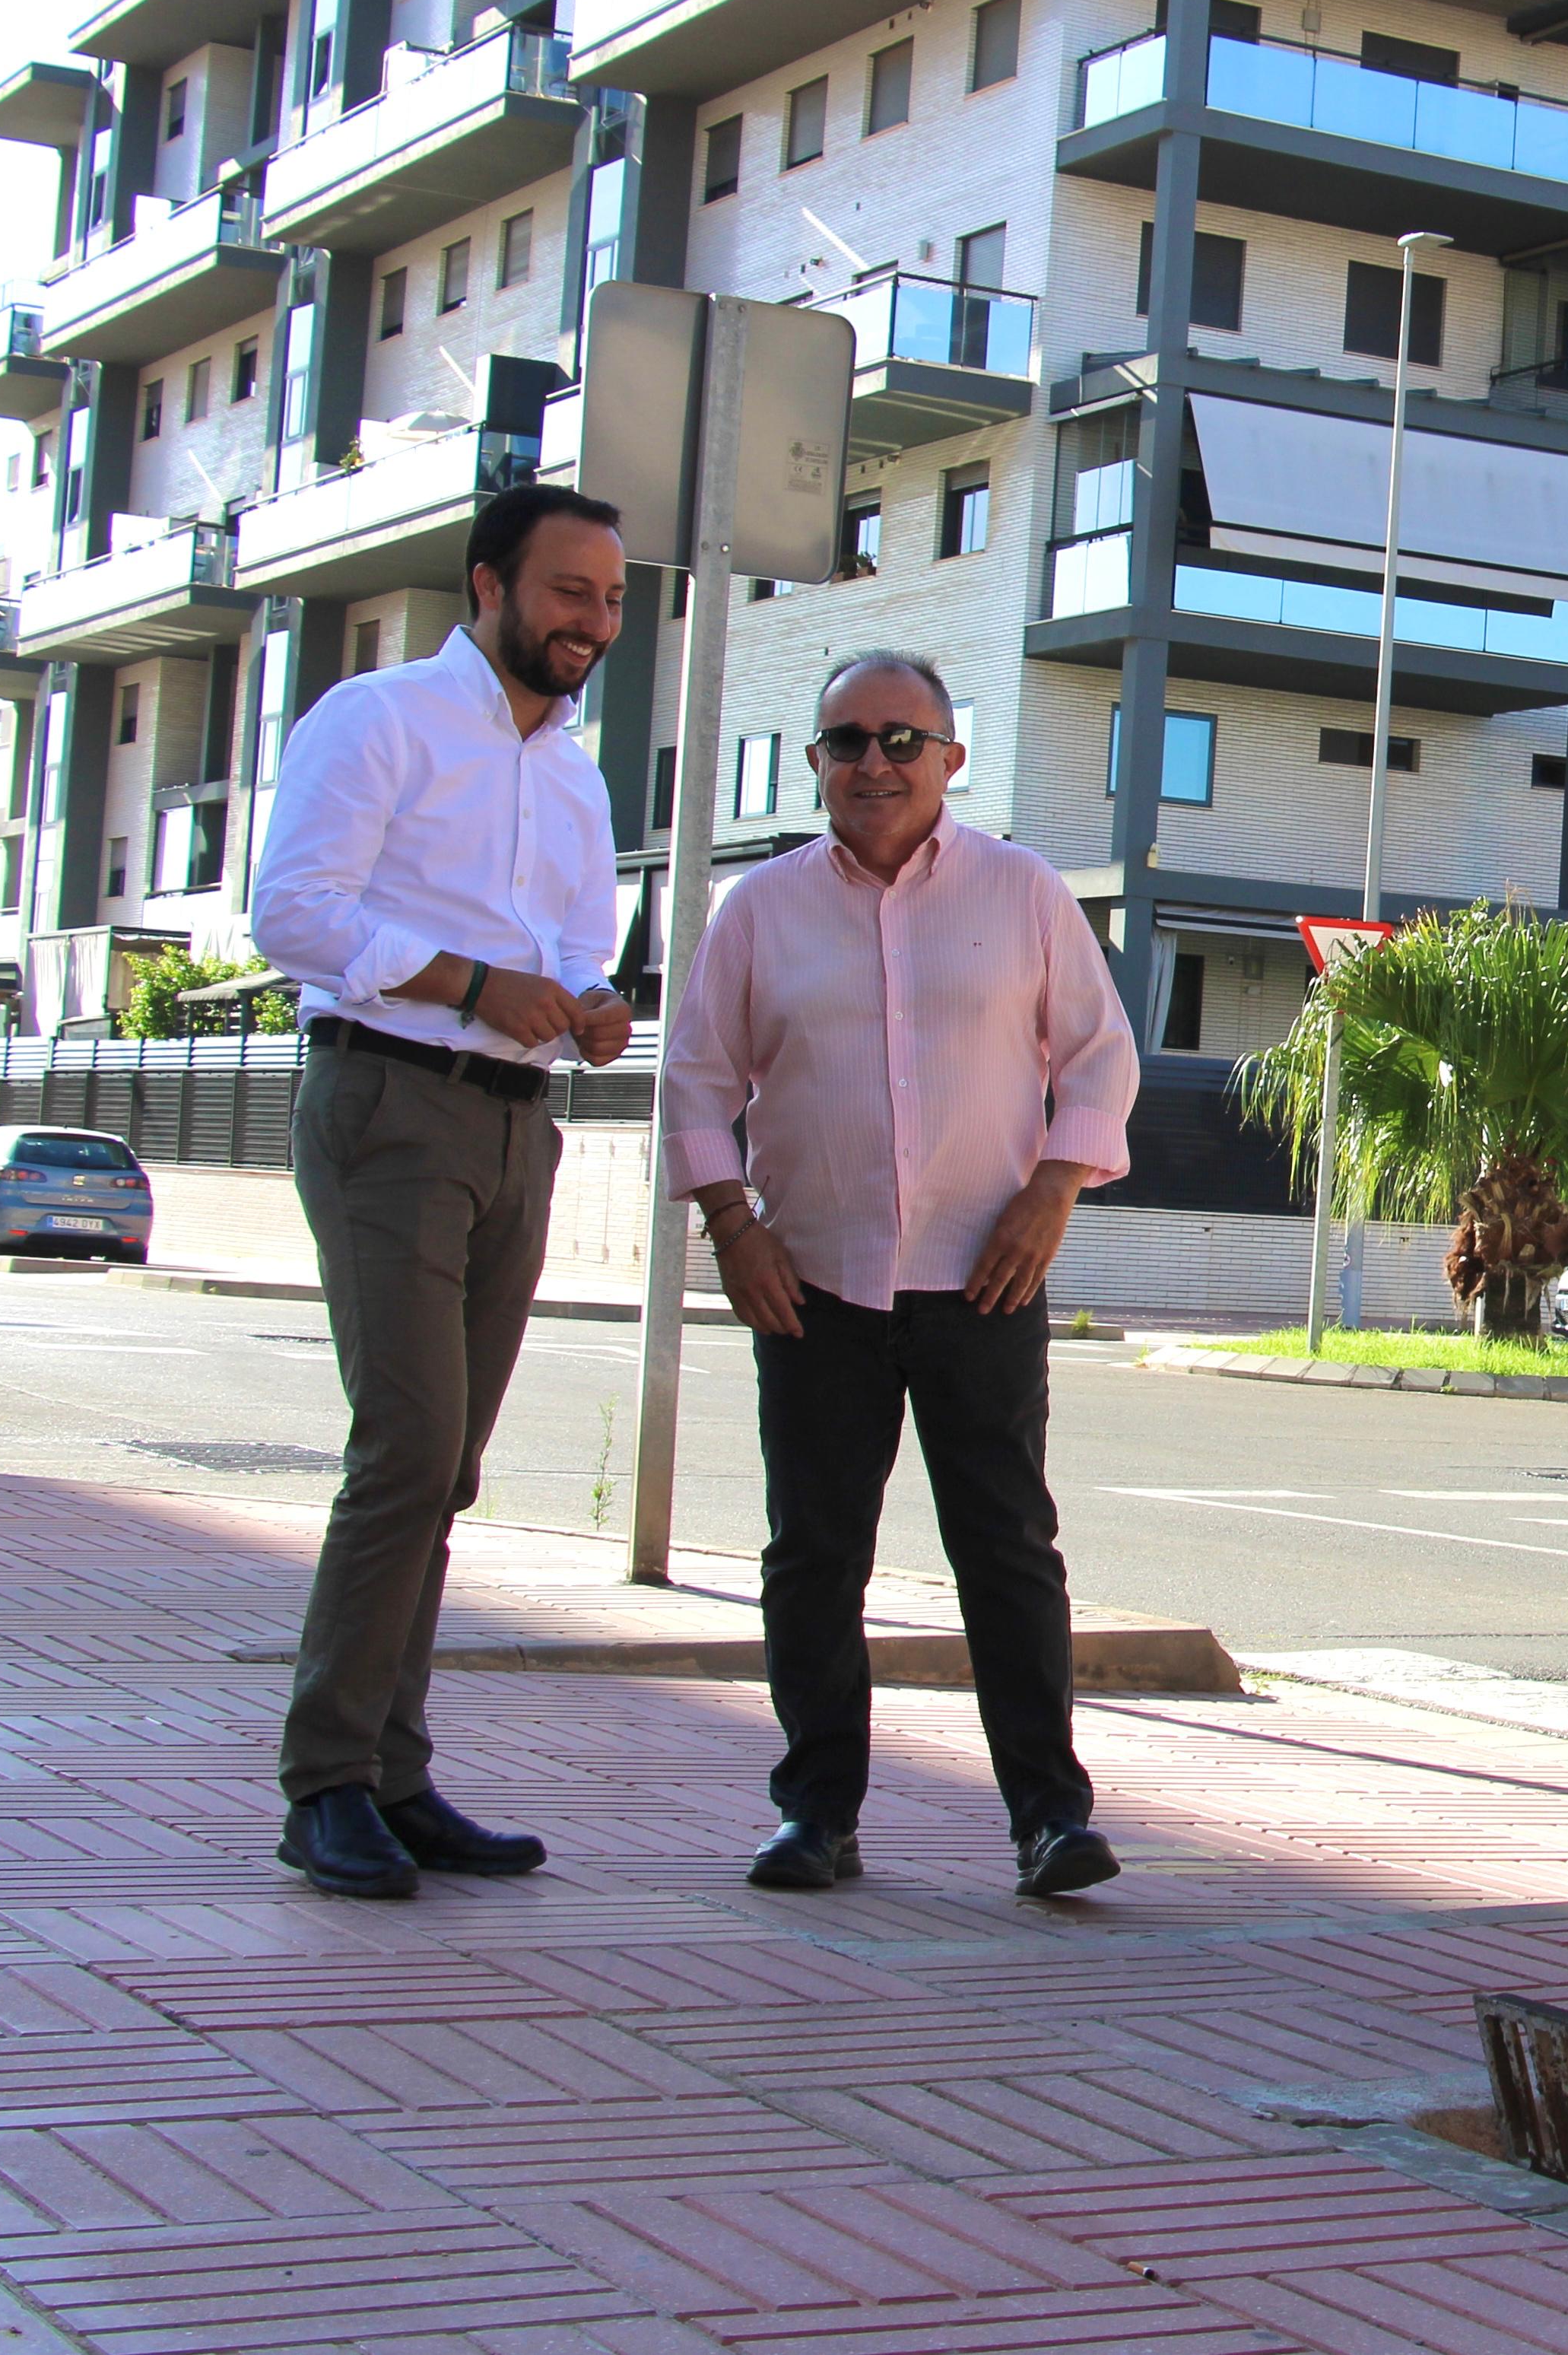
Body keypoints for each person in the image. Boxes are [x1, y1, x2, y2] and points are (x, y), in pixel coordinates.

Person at [659, 649, 1140, 1899]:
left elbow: (1097, 1061)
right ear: (815, 762)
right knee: (813, 1555)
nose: (873, 763)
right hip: (808, 1278)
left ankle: (1049, 1818)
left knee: (1007, 1548)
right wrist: (731, 1223)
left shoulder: (1025, 894)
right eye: (846, 742)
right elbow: (698, 1078)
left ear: (951, 759)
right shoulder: (757, 908)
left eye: (900, 741)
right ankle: (815, 1814)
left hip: (981, 1278)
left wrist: (1050, 1191)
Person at [249, 483, 636, 1900]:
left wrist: (590, 1007)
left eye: (607, 598)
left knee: (449, 1467)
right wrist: (477, 983)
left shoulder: (578, 772)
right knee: (407, 1448)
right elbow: (293, 912)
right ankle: (327, 1782)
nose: (591, 620)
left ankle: (396, 1777)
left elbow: (575, 946)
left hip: (515, 1127)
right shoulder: (381, 719)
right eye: (566, 591)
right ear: (490, 586)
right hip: (386, 1101)